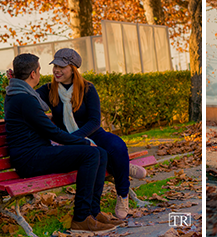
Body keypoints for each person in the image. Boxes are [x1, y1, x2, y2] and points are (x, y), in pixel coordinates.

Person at [4, 53, 120, 233]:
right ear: (33, 74)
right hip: (30, 159)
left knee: (101, 153)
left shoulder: (20, 94)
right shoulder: (24, 99)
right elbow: (52, 132)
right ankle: (81, 218)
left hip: (37, 153)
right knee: (91, 154)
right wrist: (82, 142)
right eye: (39, 70)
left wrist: (81, 142)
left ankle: (93, 212)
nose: (41, 73)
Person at [36, 48, 147, 219]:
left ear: (73, 68)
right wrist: (16, 81)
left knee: (117, 145)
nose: (56, 70)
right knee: (98, 154)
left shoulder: (87, 88)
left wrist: (75, 138)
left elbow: (95, 121)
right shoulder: (49, 89)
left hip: (91, 133)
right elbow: (28, 99)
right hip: (66, 140)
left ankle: (123, 196)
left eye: (61, 67)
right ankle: (122, 166)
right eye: (55, 66)